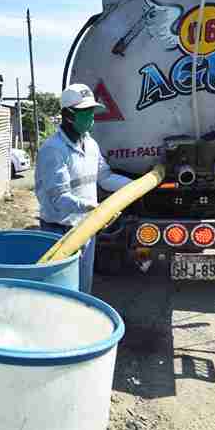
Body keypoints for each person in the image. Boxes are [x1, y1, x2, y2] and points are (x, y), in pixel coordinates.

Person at [35, 83, 133, 294]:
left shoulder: (91, 145)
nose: (91, 117)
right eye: (85, 112)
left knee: (83, 287)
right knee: (61, 292)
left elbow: (104, 177)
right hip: (58, 232)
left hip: (87, 228)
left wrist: (134, 187)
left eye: (92, 112)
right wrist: (95, 209)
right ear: (68, 114)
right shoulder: (53, 150)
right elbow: (59, 198)